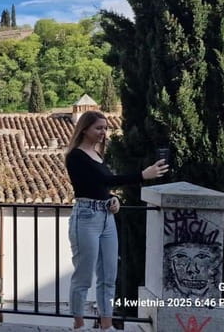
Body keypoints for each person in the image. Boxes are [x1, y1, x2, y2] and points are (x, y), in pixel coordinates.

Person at [65, 110, 168, 331]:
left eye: (105, 128)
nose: (103, 132)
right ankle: (78, 324)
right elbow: (105, 179)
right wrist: (142, 175)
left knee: (109, 276)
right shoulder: (75, 156)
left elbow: (100, 186)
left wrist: (112, 198)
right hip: (86, 217)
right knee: (83, 276)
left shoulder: (97, 155)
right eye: (99, 128)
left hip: (106, 217)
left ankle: (106, 325)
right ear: (84, 129)